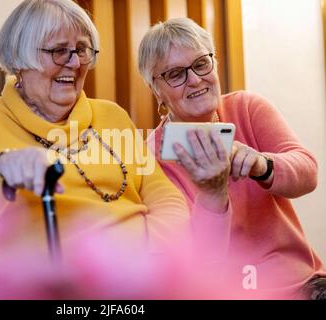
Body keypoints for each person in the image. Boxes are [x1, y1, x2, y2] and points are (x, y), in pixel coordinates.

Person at [0, 0, 189, 258]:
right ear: (20, 60)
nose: (76, 63)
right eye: (59, 50)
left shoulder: (112, 115)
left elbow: (167, 200)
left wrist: (146, 265)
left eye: (82, 49)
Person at [138, 17, 326, 299]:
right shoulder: (149, 157)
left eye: (201, 64)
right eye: (176, 74)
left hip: (301, 286)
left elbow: (308, 174)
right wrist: (212, 193)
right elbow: (192, 256)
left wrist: (262, 165)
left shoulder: (247, 108)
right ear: (156, 90)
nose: (195, 79)